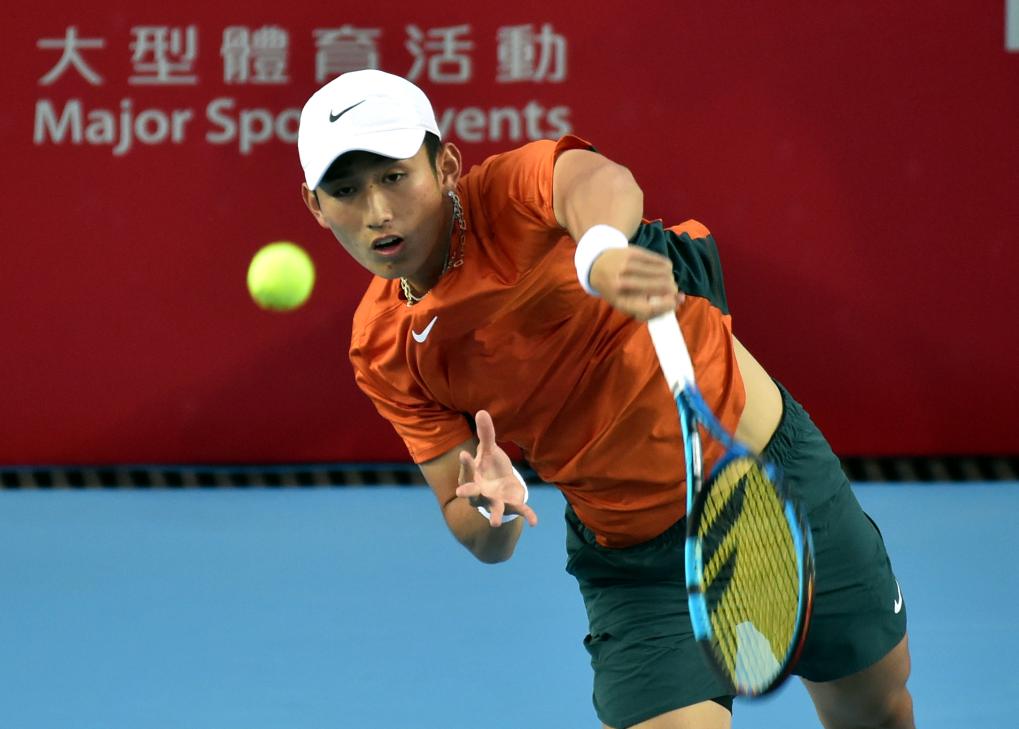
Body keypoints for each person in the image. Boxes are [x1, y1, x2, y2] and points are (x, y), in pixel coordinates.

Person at [297, 69, 916, 729]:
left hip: (778, 480)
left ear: (445, 165)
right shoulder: (384, 348)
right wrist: (488, 504)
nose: (377, 211)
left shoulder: (507, 192)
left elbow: (595, 181)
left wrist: (598, 250)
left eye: (395, 176)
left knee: (877, 713)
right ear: (315, 206)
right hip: (637, 562)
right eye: (346, 190)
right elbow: (479, 531)